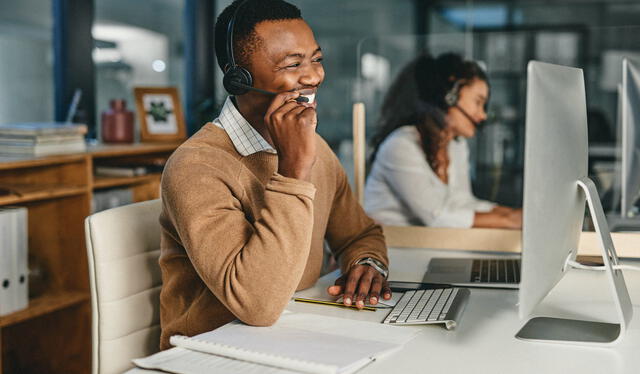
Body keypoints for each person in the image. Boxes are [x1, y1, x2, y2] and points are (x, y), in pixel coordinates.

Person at [158, 0, 391, 350]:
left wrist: (367, 264)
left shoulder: (317, 149)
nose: (313, 76)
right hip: (213, 351)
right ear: (240, 78)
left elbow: (359, 232)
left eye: (316, 59)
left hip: (294, 334)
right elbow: (257, 304)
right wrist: (294, 172)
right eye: (293, 64)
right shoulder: (196, 166)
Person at [364, 53, 522, 229]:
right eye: (478, 102)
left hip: (427, 247)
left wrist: (509, 213)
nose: (483, 115)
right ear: (449, 97)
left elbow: (462, 204)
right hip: (390, 249)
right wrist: (507, 220)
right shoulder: (400, 145)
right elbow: (437, 217)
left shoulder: (456, 146)